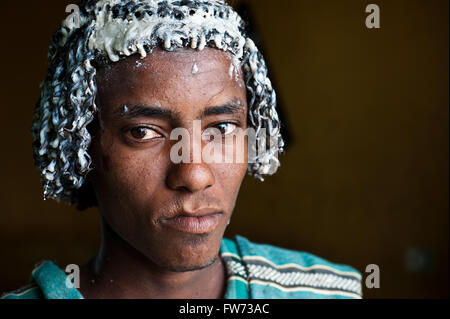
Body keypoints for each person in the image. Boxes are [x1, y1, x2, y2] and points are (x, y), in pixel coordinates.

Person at [1, 0, 362, 299]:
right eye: (143, 132)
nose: (194, 174)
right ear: (81, 144)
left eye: (221, 127)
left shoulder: (330, 293)